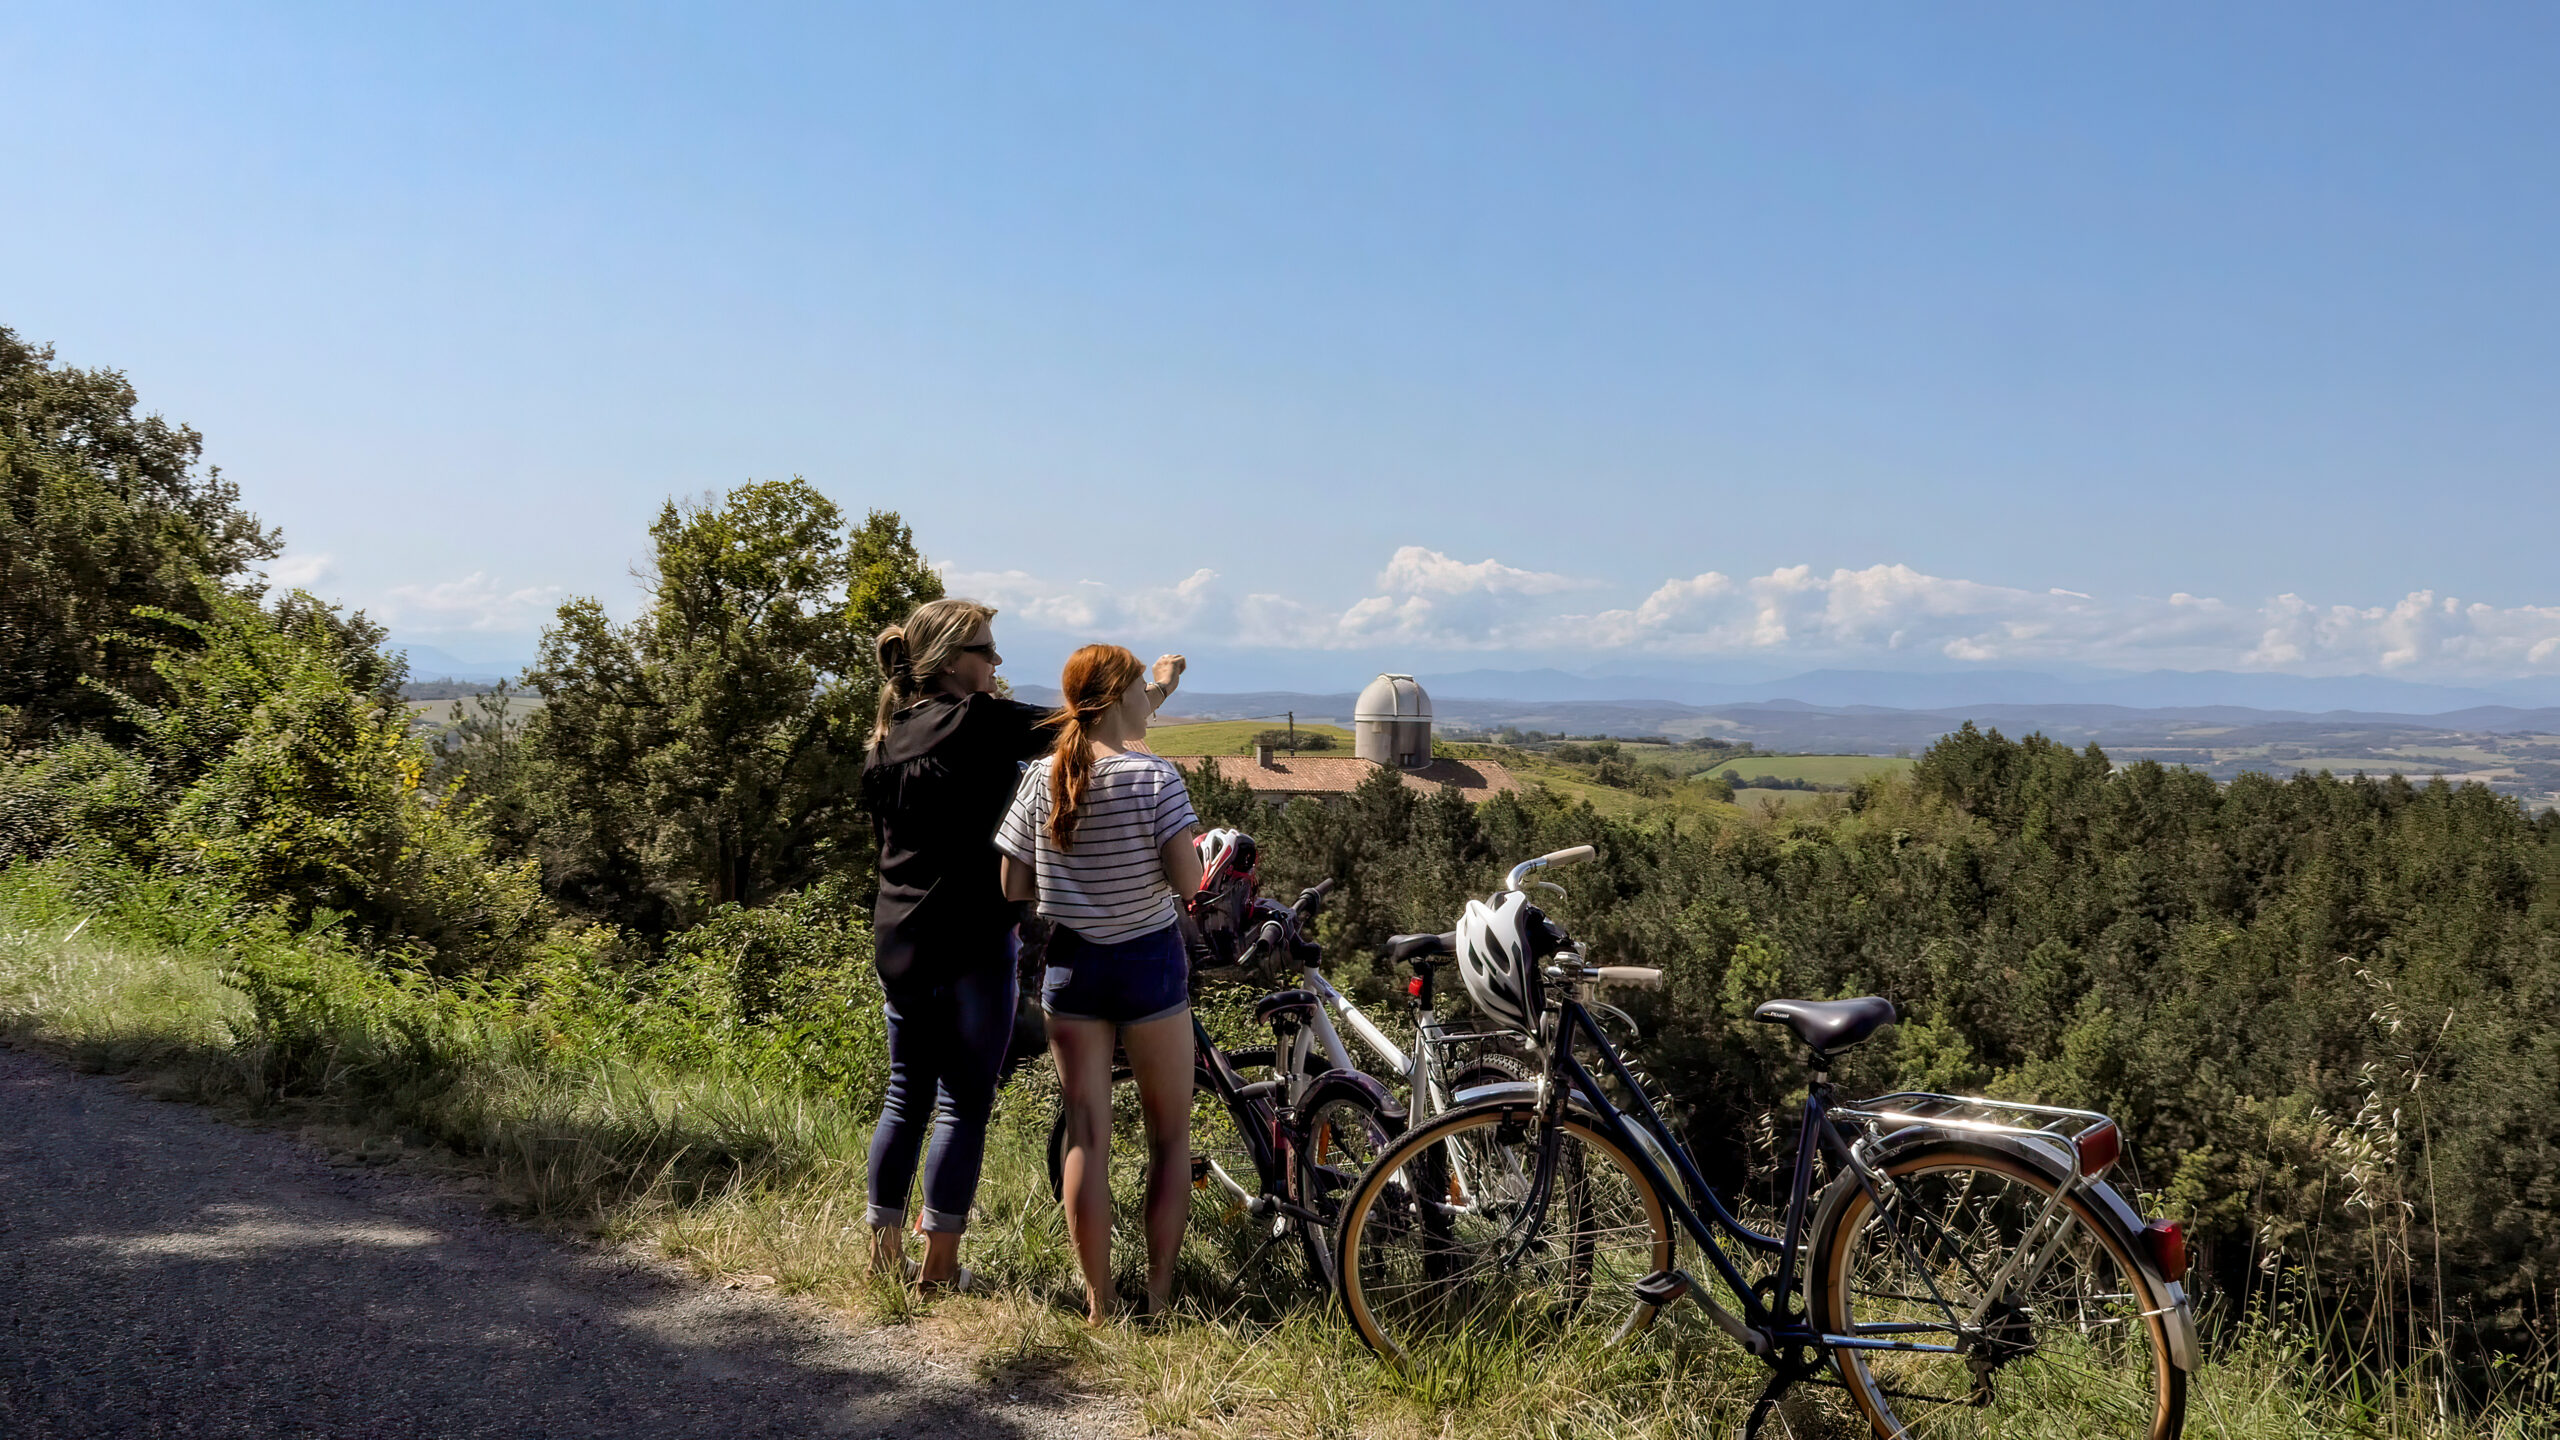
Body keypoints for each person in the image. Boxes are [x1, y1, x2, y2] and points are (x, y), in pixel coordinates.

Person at [860, 602, 1183, 1289]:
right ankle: (939, 1266)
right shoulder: (975, 720)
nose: (996, 666)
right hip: (970, 938)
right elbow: (1084, 722)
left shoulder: (887, 738)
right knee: (961, 1102)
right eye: (987, 652)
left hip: (896, 936)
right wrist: (1154, 691)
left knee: (903, 1094)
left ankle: (883, 1254)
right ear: (952, 661)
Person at [995, 644, 1198, 1322]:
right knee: (1170, 1138)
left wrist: (1071, 881)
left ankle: (1098, 1304)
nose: (1150, 702)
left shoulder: (1041, 777)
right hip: (1149, 963)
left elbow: (1013, 884)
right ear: (1117, 700)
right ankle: (1161, 1301)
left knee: (1086, 1135)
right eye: (1143, 690)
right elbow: (1188, 881)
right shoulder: (1155, 778)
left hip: (1072, 966)